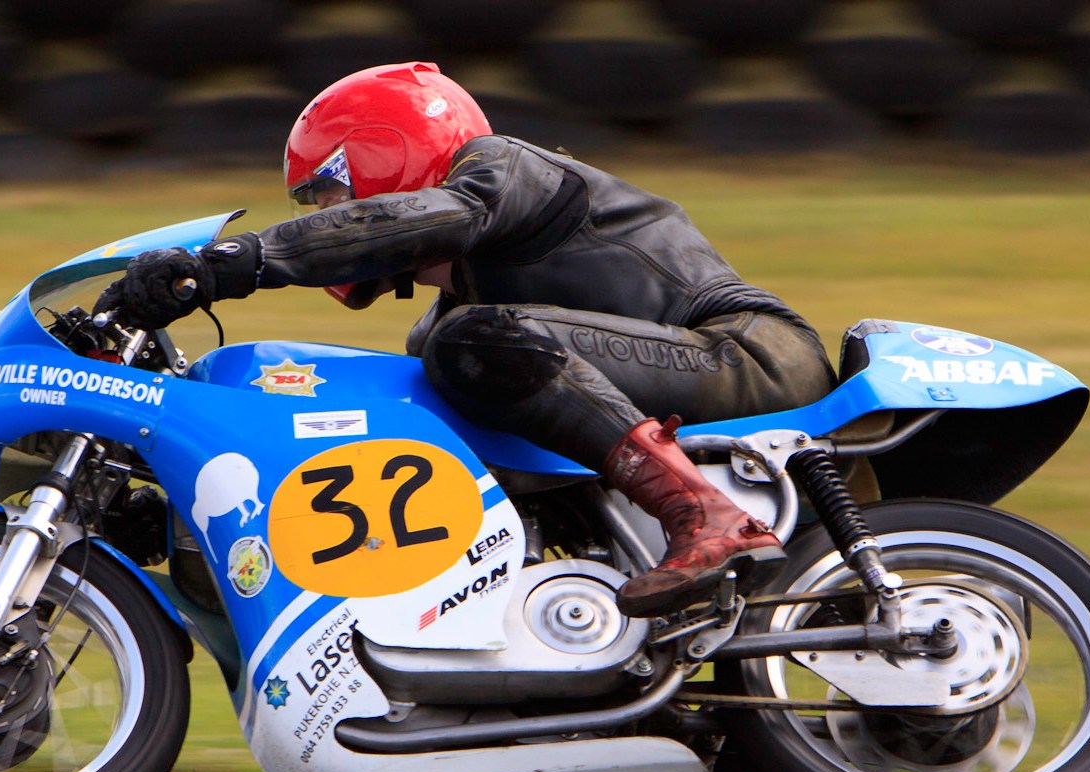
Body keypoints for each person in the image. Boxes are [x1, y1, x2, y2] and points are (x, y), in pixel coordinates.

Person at [97, 61, 836, 618]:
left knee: (473, 342)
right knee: (437, 374)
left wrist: (234, 262)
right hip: (648, 363)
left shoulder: (504, 170)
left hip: (748, 351)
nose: (328, 210)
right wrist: (181, 505)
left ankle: (703, 513)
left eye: (330, 187)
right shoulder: (452, 321)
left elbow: (427, 219)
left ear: (388, 152)